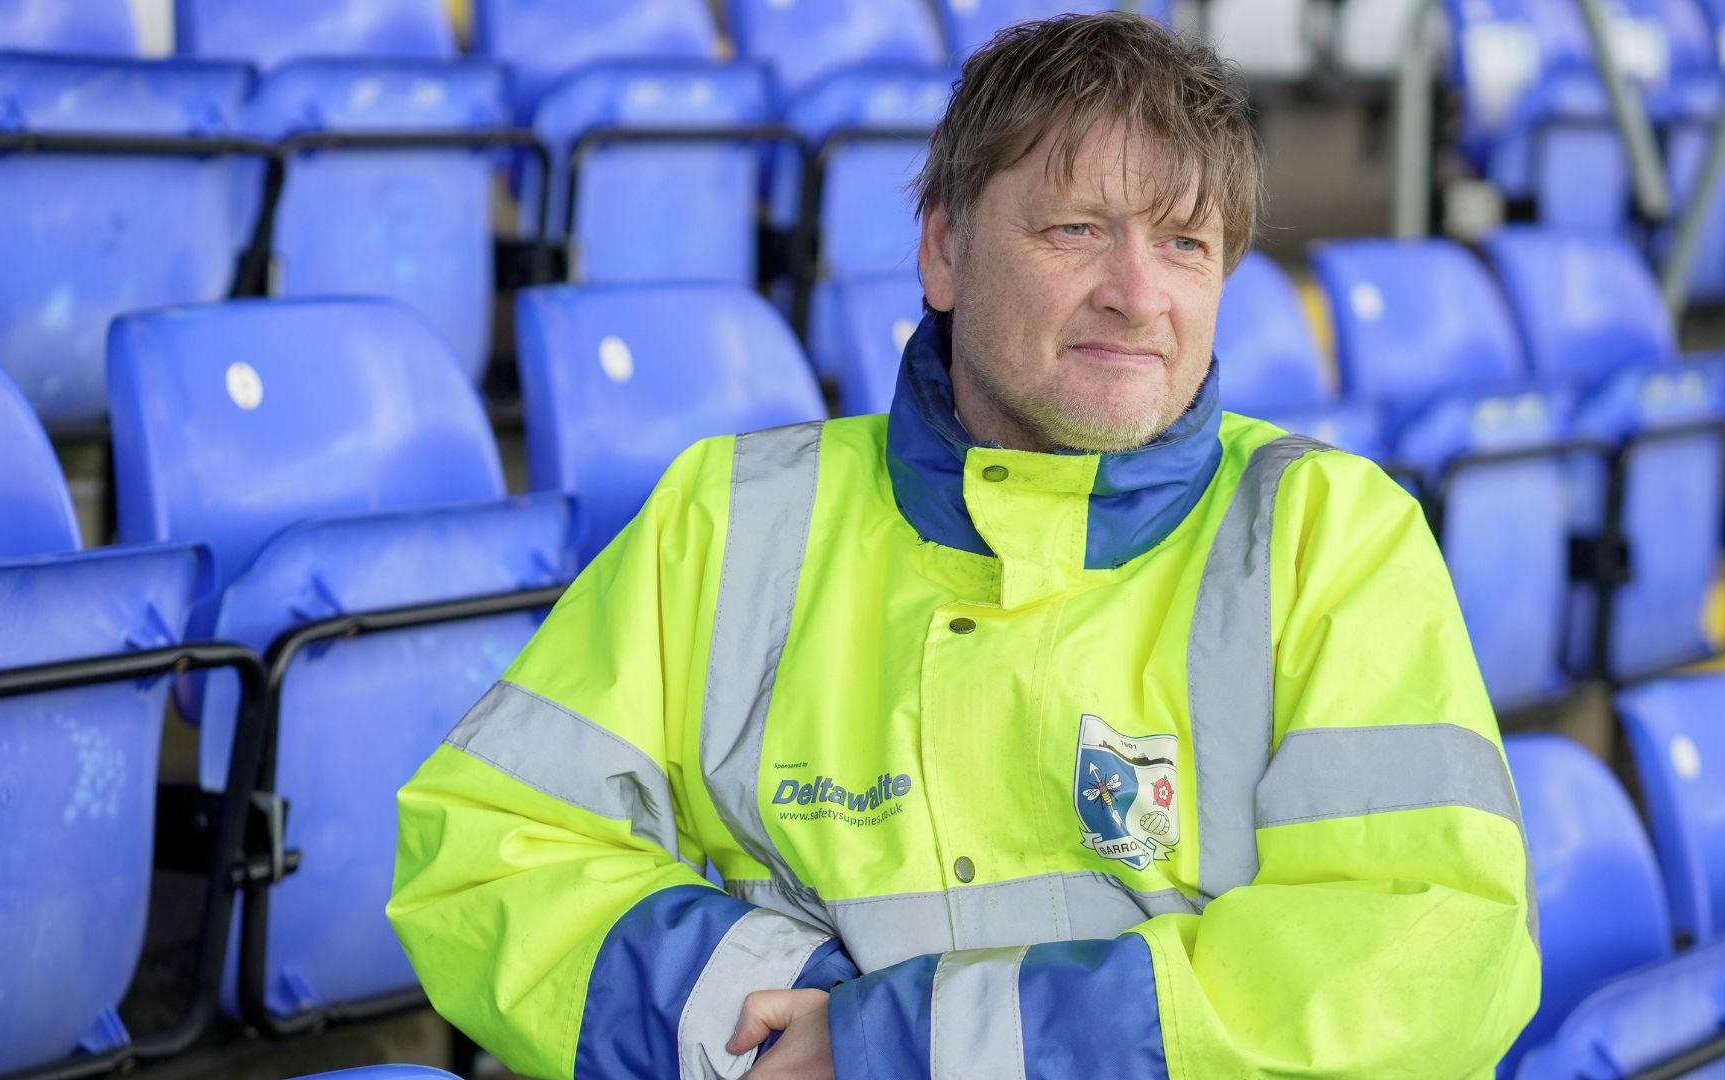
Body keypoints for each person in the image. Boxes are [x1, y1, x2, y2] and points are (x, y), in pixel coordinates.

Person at [388, 13, 1540, 1079]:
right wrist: (771, 1015)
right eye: (1076, 228)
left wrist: (893, 1048)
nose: (1137, 294)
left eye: (1186, 244)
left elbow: (1433, 953)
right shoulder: (730, 514)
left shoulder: (1328, 534)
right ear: (941, 252)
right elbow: (488, 855)